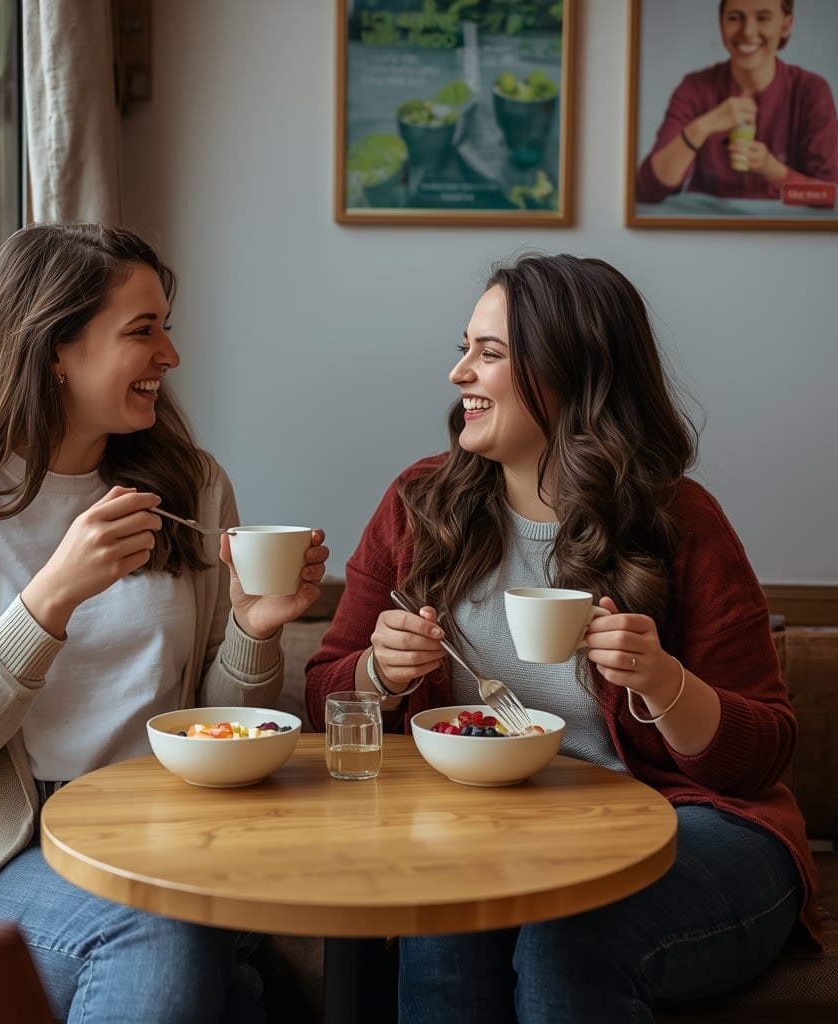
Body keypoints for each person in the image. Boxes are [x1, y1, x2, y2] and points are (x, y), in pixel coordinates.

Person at [305, 252, 821, 1022]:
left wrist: (663, 682)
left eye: (489, 353)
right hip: (487, 833)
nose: (459, 375)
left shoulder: (678, 520)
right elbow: (323, 694)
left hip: (692, 824)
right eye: (463, 349)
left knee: (569, 933)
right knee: (445, 919)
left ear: (570, 371)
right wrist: (378, 672)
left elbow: (761, 754)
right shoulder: (421, 504)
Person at [0, 222, 329, 1024]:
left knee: (226, 969)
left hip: (158, 822)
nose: (170, 357)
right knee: (166, 930)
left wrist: (255, 629)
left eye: (166, 330)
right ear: (53, 348)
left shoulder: (192, 485)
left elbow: (215, 718)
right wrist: (49, 601)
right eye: (142, 332)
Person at [635, 0, 838, 203]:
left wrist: (774, 171)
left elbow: (829, 197)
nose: (748, 31)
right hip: (710, 232)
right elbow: (648, 191)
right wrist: (701, 128)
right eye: (734, 18)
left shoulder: (811, 91)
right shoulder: (695, 88)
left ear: (785, 26)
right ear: (721, 25)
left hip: (785, 234)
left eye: (763, 18)